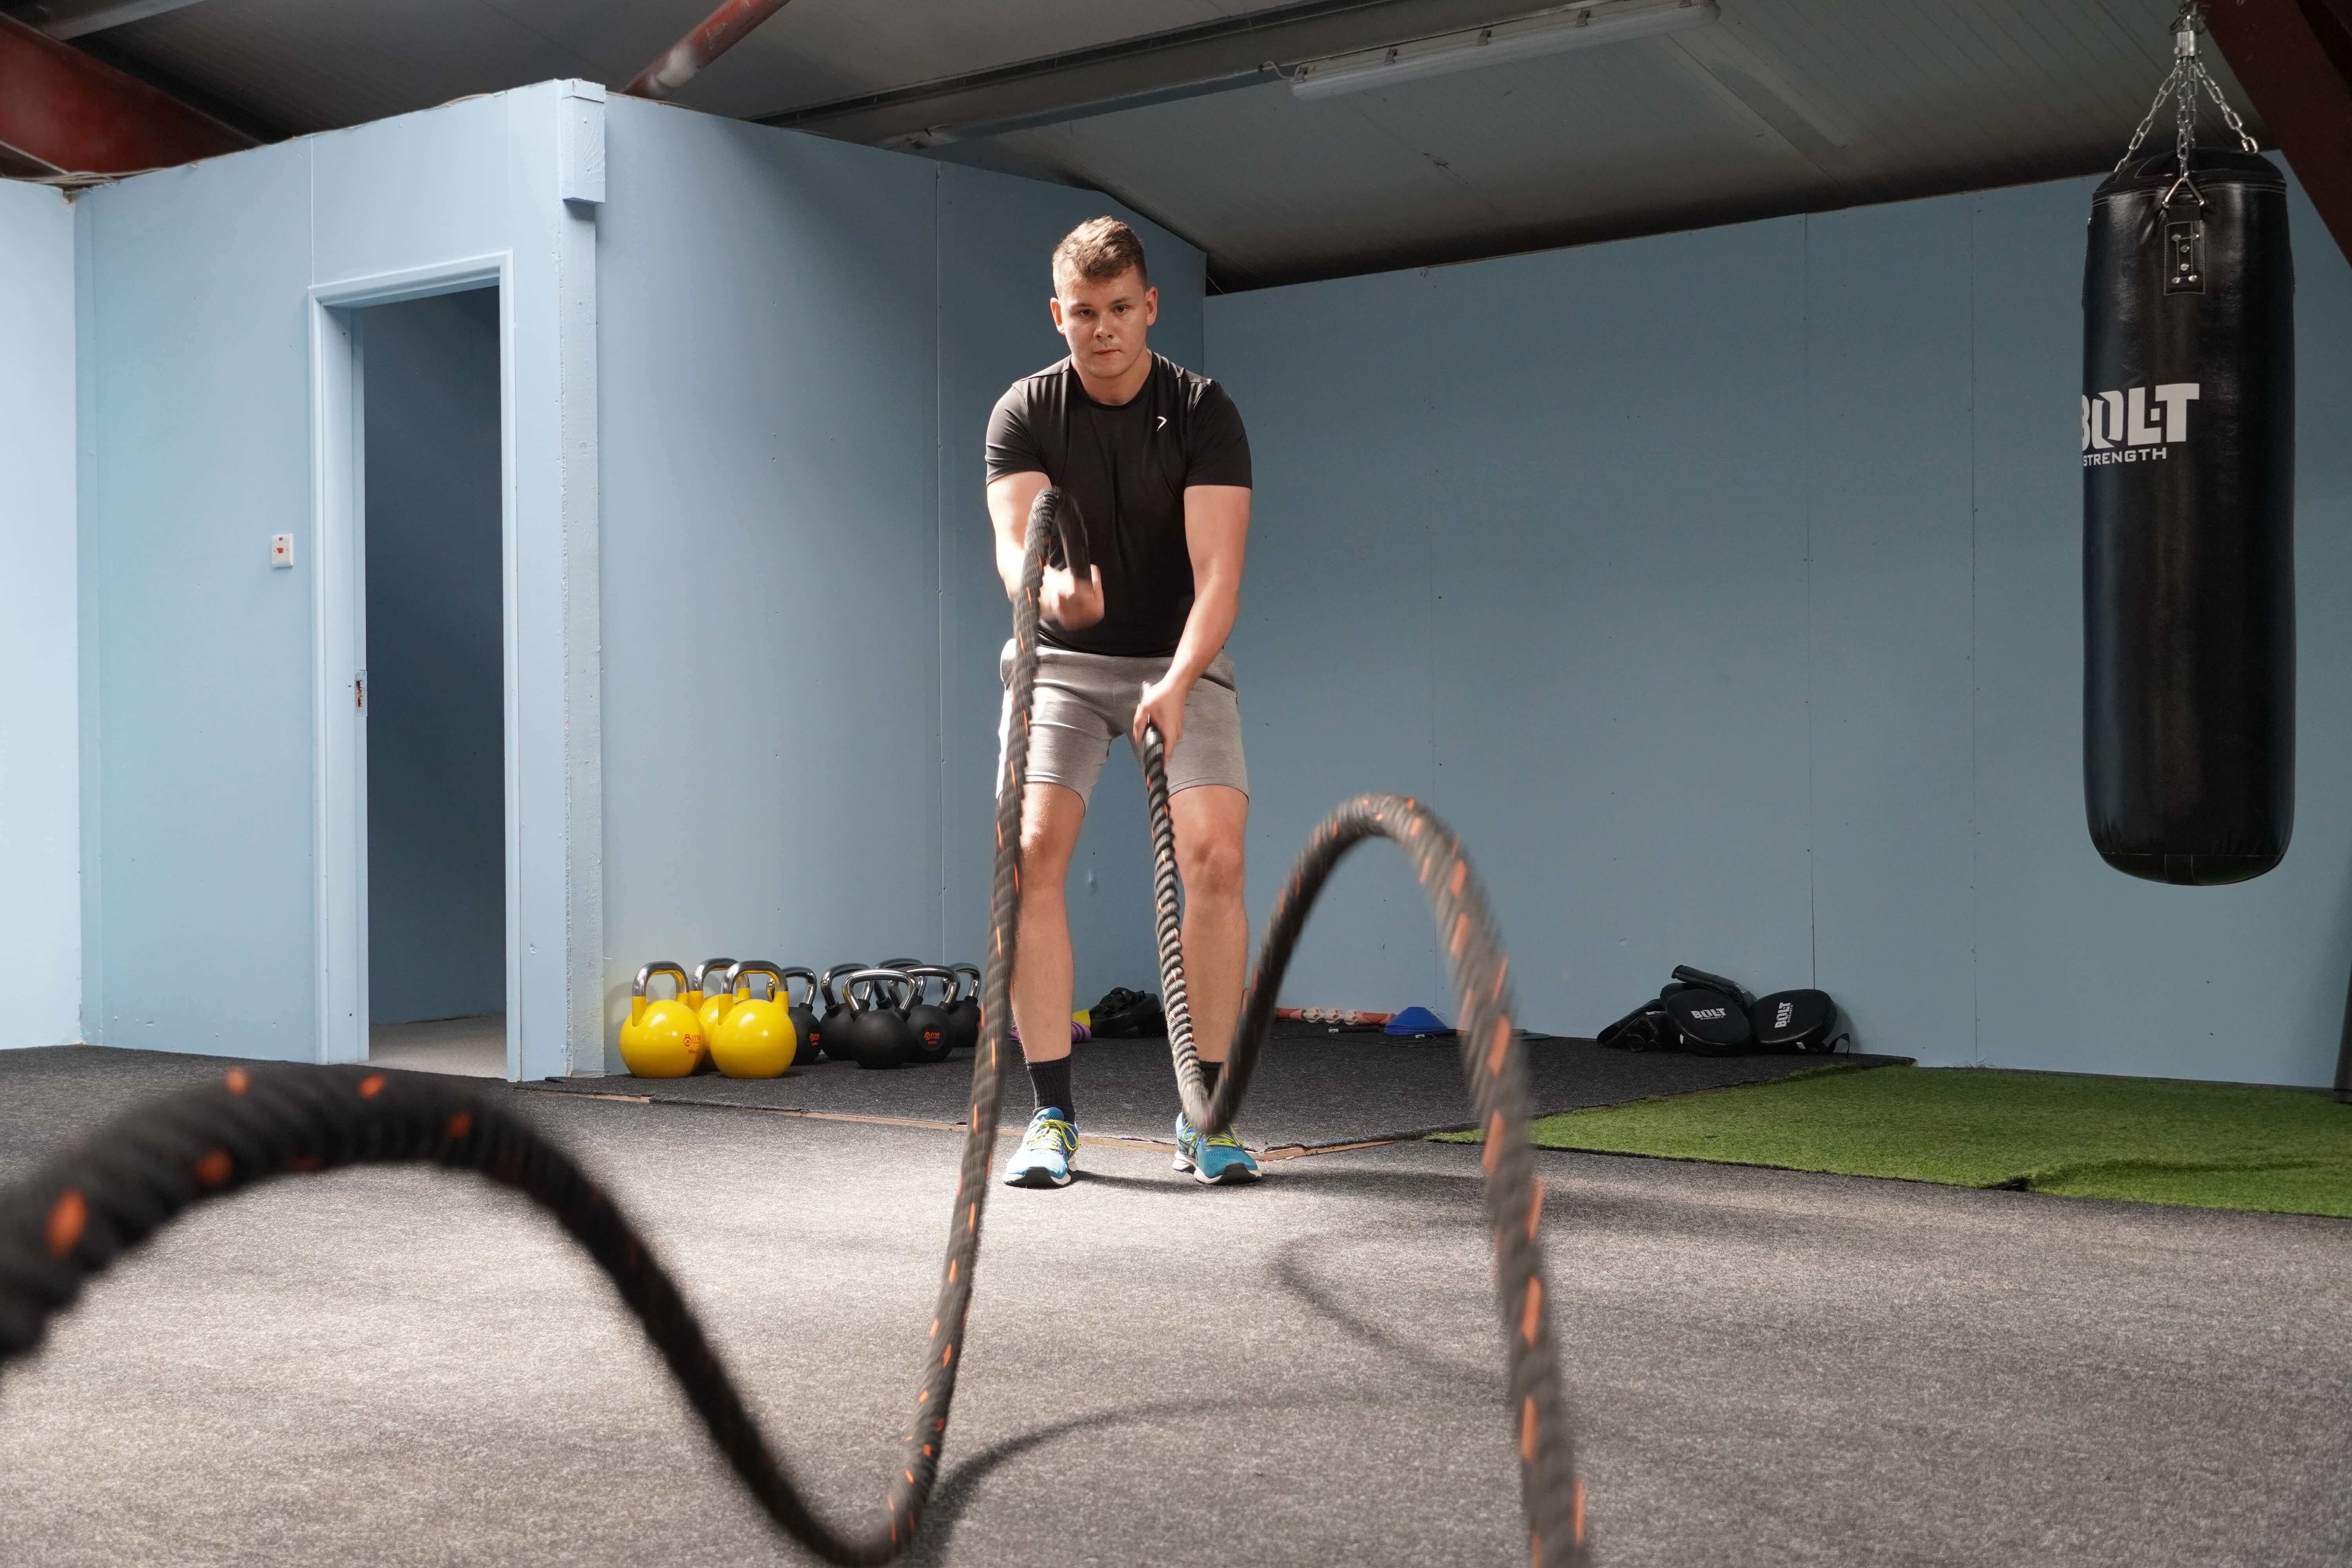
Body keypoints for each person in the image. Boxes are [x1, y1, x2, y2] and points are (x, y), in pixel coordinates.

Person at [984, 217, 1258, 1189]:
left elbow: (1218, 576)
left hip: (1180, 654)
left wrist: (1178, 683)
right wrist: (1053, 593)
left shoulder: (1201, 411)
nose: (1103, 330)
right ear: (1061, 315)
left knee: (1215, 854)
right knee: (1029, 852)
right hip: (1060, 660)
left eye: (1120, 310)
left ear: (1150, 307)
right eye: (1084, 313)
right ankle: (1053, 1114)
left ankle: (1207, 1113)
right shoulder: (1023, 411)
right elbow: (1018, 546)